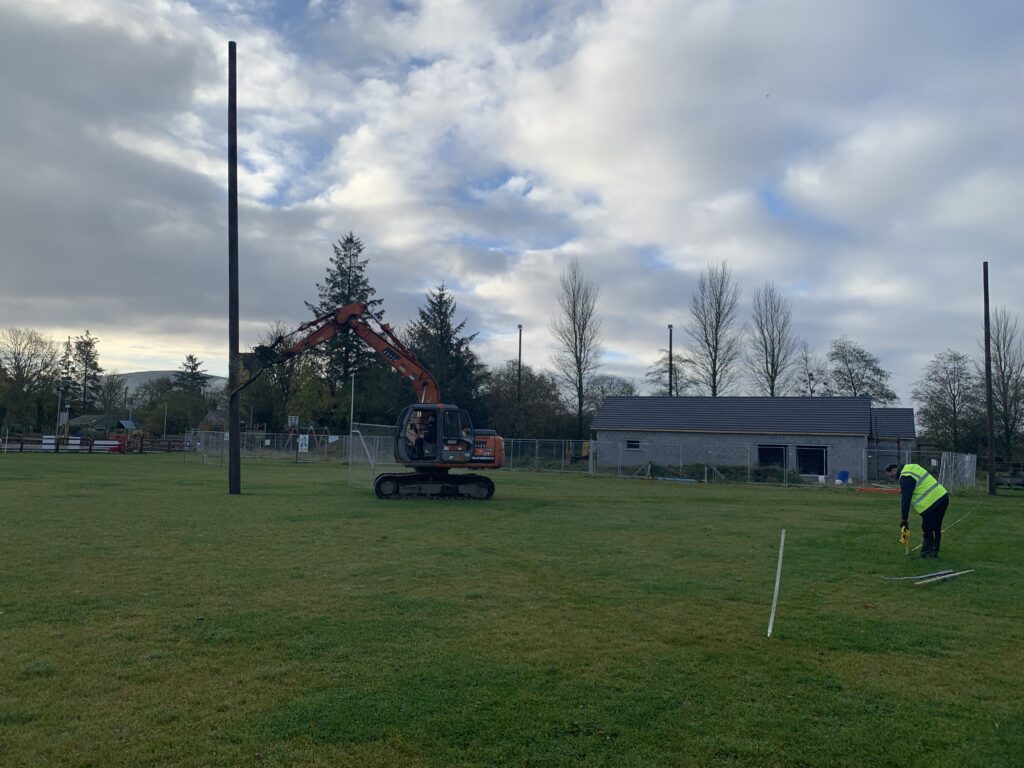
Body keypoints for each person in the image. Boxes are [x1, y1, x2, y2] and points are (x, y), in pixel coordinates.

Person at [885, 463, 950, 559]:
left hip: (932, 503)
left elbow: (906, 500)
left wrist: (904, 519)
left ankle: (926, 554)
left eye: (892, 476)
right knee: (936, 527)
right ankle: (935, 551)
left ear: (894, 470)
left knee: (927, 528)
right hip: (942, 497)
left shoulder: (905, 476)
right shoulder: (911, 467)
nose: (893, 478)